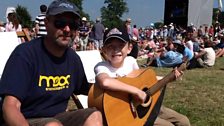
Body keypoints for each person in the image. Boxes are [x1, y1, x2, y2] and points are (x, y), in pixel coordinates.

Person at [0, 0, 103, 126]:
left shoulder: (72, 58)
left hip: (57, 117)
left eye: (73, 24)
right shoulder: (25, 54)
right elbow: (10, 106)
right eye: (60, 23)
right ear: (46, 23)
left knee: (94, 116)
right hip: (26, 118)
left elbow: (87, 88)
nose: (67, 29)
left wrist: (117, 85)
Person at [94, 26, 185, 125]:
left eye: (120, 45)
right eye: (111, 46)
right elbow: (105, 81)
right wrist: (136, 91)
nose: (116, 50)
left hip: (144, 107)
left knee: (183, 121)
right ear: (104, 50)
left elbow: (142, 82)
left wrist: (168, 78)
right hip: (128, 115)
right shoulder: (102, 67)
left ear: (129, 48)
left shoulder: (131, 61)